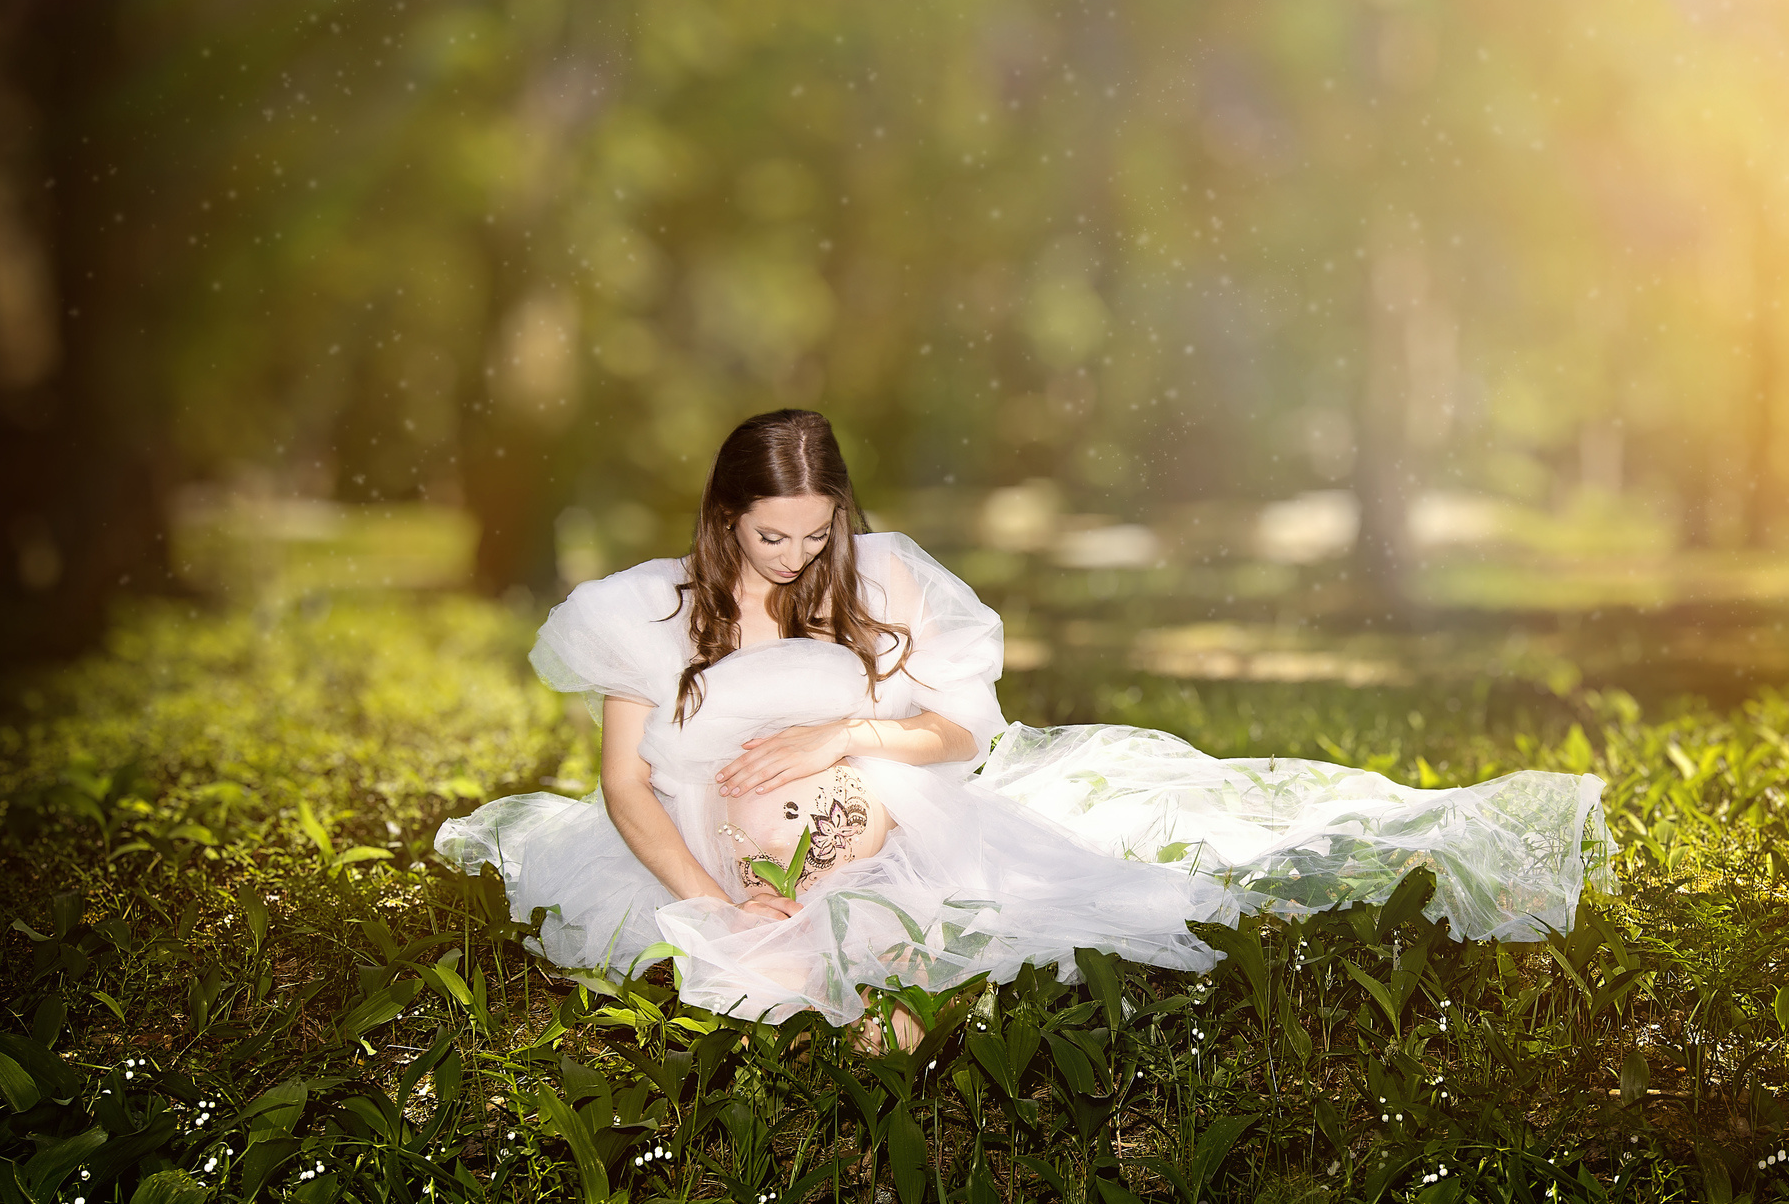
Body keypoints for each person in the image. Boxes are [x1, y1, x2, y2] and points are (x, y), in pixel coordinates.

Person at [437, 409, 1608, 1044]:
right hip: (698, 859)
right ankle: (843, 998)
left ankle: (893, 996)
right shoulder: (642, 614)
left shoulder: (882, 579)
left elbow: (958, 737)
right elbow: (630, 791)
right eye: (768, 537)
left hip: (892, 826)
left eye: (813, 533)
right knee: (769, 974)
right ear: (724, 518)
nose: (794, 558)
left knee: (1035, 915)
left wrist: (844, 742)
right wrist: (712, 894)